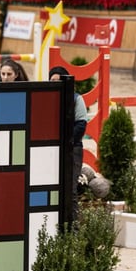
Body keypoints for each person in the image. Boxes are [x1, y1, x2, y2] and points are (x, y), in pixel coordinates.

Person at [49, 65, 88, 223]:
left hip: (72, 149)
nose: (55, 83)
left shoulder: (77, 99)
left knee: (70, 190)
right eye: (52, 80)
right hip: (50, 149)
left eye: (58, 81)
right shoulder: (45, 97)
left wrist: (63, 139)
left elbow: (81, 125)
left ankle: (74, 230)